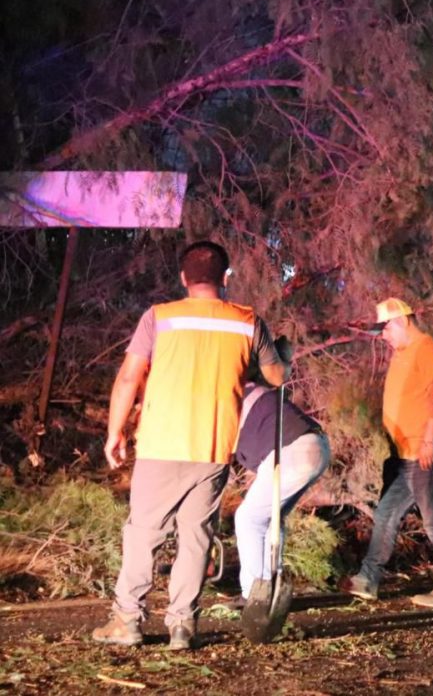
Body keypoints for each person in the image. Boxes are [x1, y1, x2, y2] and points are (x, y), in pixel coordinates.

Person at [92, 241, 286, 650]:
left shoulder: (160, 317)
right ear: (225, 277)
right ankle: (183, 625)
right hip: (212, 446)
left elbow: (128, 378)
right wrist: (281, 355)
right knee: (196, 537)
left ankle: (127, 620)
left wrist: (115, 431)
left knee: (144, 534)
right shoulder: (247, 321)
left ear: (184, 278)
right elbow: (276, 377)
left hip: (161, 442)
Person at [340, 297, 433, 608]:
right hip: (407, 453)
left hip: (425, 450)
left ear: (402, 321)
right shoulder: (403, 352)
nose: (383, 336)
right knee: (386, 512)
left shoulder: (429, 350)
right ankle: (367, 580)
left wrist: (428, 441)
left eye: (386, 329)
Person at [230, 338, 330, 607]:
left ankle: (254, 593)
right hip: (317, 446)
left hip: (293, 450)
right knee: (272, 517)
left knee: (248, 519)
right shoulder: (262, 395)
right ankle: (271, 586)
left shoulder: (238, 396)